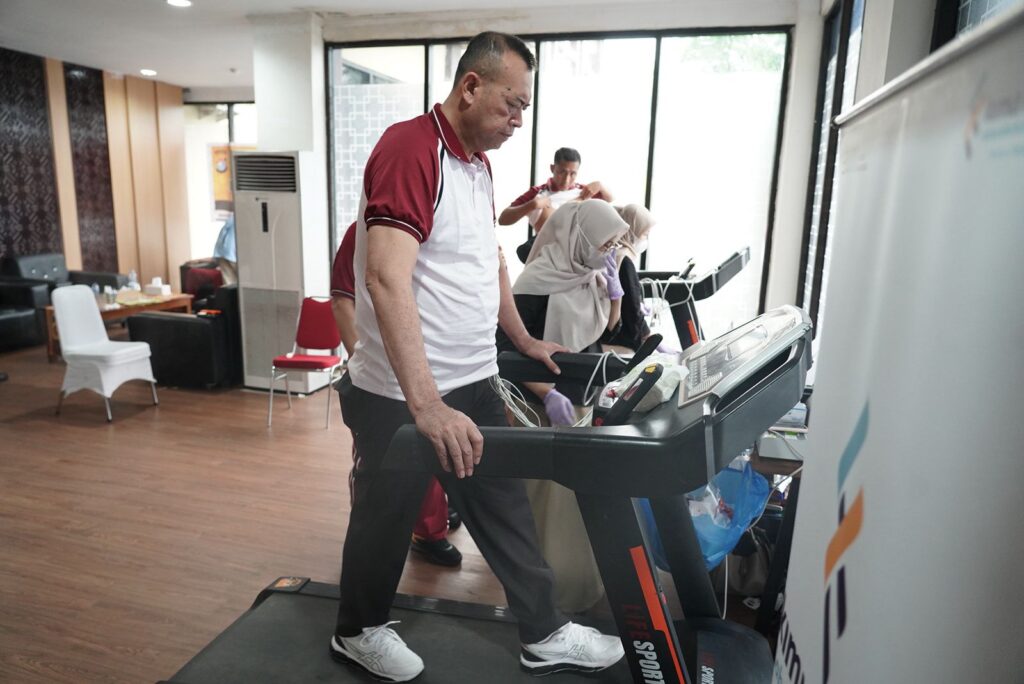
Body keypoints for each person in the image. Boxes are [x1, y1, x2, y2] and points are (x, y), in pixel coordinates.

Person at [331, 31, 624, 682]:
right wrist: (427, 404)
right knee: (385, 519)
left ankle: (544, 633)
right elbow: (384, 277)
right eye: (512, 104)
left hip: (474, 378)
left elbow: (487, 263)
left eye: (524, 108)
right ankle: (357, 630)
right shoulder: (411, 149)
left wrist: (523, 340)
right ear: (470, 86)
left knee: (504, 508)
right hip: (399, 394)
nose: (519, 120)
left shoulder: (478, 166)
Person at [496, 199, 629, 612]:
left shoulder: (590, 275)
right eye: (605, 243)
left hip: (582, 403)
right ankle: (545, 599)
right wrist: (547, 394)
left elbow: (604, 333)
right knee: (547, 506)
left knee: (576, 503)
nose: (610, 252)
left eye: (614, 244)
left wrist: (615, 295)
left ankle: (580, 586)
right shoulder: (534, 284)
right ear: (579, 236)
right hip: (541, 408)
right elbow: (504, 353)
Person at [330, 222, 462, 567]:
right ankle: (397, 540)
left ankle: (432, 527)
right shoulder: (360, 234)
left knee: (436, 453)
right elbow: (342, 301)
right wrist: (362, 359)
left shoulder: (440, 233)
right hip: (381, 376)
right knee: (383, 471)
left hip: (434, 369)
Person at [498, 147, 614, 263]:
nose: (566, 179)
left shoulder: (583, 191)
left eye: (573, 174)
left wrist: (600, 186)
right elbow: (503, 219)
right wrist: (532, 205)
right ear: (552, 168)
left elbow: (610, 200)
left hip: (582, 248)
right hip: (550, 251)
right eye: (562, 172)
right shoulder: (538, 193)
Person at [601, 203, 658, 351]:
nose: (646, 239)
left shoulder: (614, 252)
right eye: (644, 234)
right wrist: (646, 336)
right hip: (622, 338)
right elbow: (632, 309)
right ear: (631, 230)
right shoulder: (624, 260)